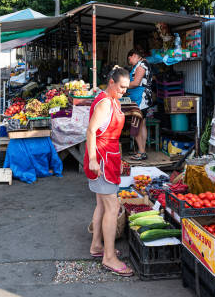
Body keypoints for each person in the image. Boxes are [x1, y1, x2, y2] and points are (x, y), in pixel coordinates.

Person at [84, 66, 132, 277]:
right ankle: (110, 258)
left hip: (108, 157)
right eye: (121, 87)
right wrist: (93, 159)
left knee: (102, 205)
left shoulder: (111, 99)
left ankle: (97, 246)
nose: (124, 91)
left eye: (126, 88)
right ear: (111, 82)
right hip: (101, 160)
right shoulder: (104, 103)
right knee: (112, 207)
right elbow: (91, 131)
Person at [127, 49, 153, 161]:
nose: (130, 62)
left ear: (134, 55)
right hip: (139, 98)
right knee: (142, 124)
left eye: (130, 59)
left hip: (141, 99)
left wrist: (121, 85)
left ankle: (141, 152)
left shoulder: (141, 65)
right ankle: (142, 151)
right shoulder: (140, 64)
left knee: (137, 124)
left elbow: (136, 83)